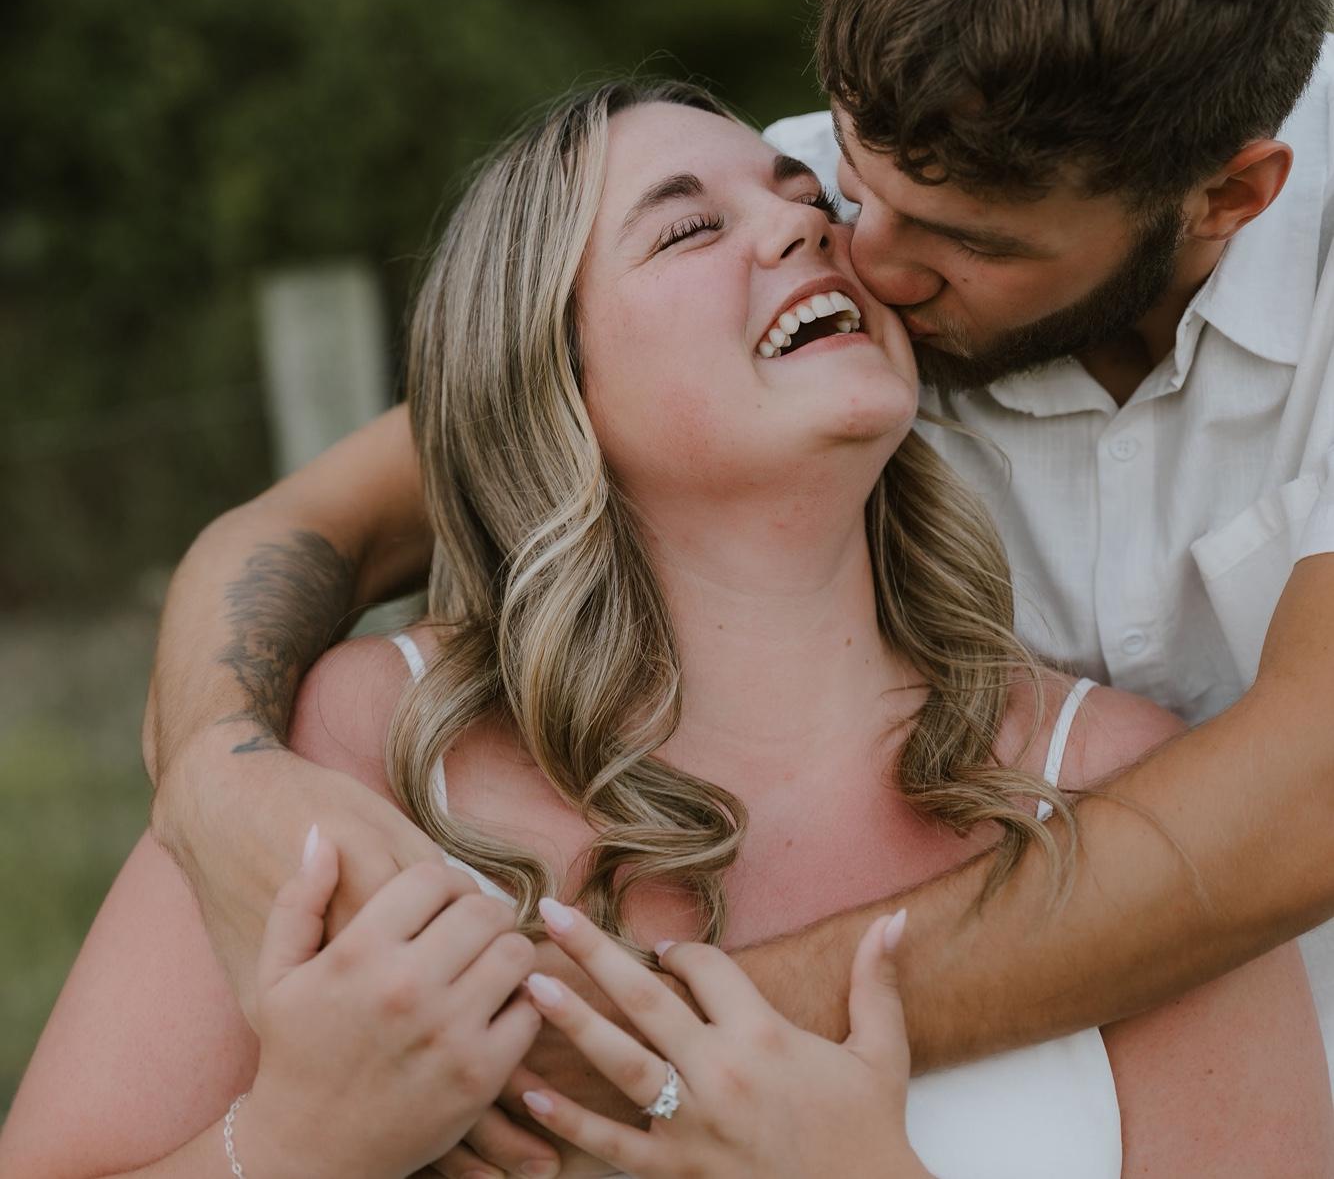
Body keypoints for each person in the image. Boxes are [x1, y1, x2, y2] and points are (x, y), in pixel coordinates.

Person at [5, 81, 1329, 1178]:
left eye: (811, 204)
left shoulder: (1122, 787)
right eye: (690, 229)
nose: (809, 226)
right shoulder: (346, 757)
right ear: (549, 375)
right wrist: (295, 1148)